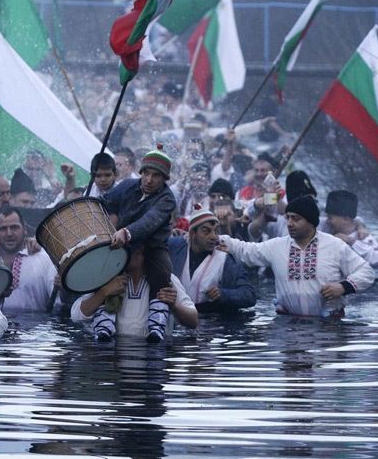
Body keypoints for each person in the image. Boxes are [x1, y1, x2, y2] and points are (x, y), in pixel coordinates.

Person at [220, 195, 375, 318]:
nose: (289, 223)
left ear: (311, 222)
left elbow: (366, 272)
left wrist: (343, 287)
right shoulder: (277, 246)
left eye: (296, 218)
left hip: (329, 329)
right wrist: (218, 238)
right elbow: (245, 250)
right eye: (288, 217)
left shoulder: (334, 245)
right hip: (287, 327)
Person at [99, 144, 178, 341]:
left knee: (162, 270)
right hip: (121, 243)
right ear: (141, 172)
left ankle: (157, 322)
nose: (149, 180)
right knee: (104, 271)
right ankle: (104, 319)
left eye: (156, 176)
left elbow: (149, 221)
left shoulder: (167, 199)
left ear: (164, 179)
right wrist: (107, 218)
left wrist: (126, 232)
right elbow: (105, 202)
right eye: (146, 173)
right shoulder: (127, 186)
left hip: (151, 247)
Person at [71, 244, 197, 341]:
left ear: (142, 251)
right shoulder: (109, 279)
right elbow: (76, 315)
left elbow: (193, 320)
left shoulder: (164, 279)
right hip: (113, 358)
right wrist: (104, 292)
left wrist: (174, 306)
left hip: (154, 357)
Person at [167, 205, 256, 314]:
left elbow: (249, 295)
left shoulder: (225, 259)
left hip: (211, 324)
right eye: (206, 231)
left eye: (215, 231)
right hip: (178, 318)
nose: (213, 236)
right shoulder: (176, 248)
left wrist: (223, 294)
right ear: (192, 234)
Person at [0, 206, 57, 312]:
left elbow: (58, 301)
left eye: (14, 227)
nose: (9, 233)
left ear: (25, 229)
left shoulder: (43, 258)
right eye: (3, 229)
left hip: (36, 326)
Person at [322, 190, 378, 269]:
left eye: (330, 217)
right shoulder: (325, 227)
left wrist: (350, 241)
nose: (327, 221)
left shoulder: (363, 237)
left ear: (345, 219)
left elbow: (377, 260)